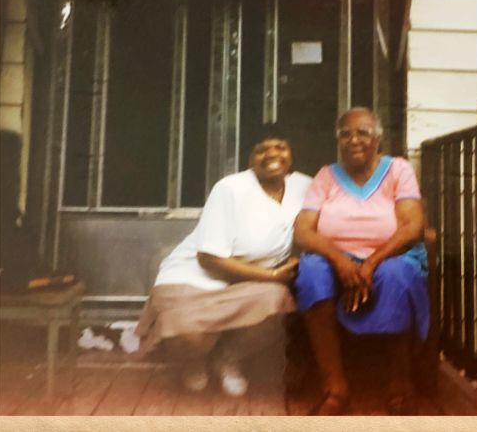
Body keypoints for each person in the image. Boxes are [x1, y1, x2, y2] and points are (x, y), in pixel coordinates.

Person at [135, 131, 312, 397]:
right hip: (192, 279)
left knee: (278, 302)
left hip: (246, 283)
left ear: (291, 154)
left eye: (280, 147)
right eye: (262, 149)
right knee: (191, 338)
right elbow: (208, 258)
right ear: (250, 159)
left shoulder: (303, 186)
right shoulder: (231, 188)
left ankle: (228, 358)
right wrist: (273, 273)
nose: (272, 154)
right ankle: (194, 361)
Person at [293, 107, 430, 415]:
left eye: (363, 132)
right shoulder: (326, 176)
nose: (354, 140)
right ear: (338, 140)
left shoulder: (398, 170)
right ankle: (336, 389)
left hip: (390, 255)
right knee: (312, 272)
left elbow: (411, 226)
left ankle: (399, 382)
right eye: (345, 134)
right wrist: (340, 261)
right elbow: (303, 230)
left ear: (378, 139)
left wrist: (370, 263)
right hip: (336, 258)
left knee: (396, 275)